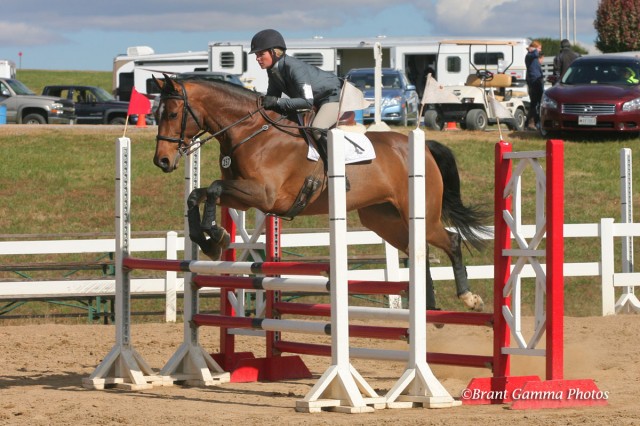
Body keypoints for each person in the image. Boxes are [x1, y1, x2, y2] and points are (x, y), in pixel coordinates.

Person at [250, 29, 342, 146]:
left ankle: (332, 163)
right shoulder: (272, 70)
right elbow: (272, 98)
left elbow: (307, 102)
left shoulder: (294, 67)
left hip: (333, 97)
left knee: (318, 128)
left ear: (274, 52)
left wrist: (277, 101)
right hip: (318, 100)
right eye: (256, 55)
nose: (257, 58)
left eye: (261, 54)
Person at [525, 40, 544, 131]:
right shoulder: (530, 55)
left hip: (537, 80)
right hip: (534, 80)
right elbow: (536, 54)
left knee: (537, 102)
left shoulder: (533, 57)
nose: (540, 50)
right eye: (539, 48)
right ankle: (531, 123)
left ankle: (531, 122)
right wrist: (533, 49)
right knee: (534, 102)